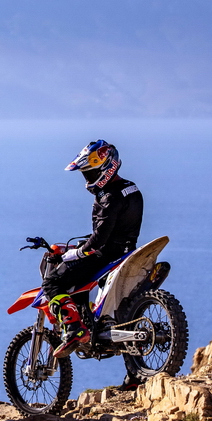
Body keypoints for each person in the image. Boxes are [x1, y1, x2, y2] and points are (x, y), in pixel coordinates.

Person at [43, 140, 144, 387]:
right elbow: (113, 230)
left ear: (106, 167)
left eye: (90, 172)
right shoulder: (131, 189)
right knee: (124, 313)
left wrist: (75, 253)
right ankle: (136, 374)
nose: (87, 178)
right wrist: (79, 247)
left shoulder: (108, 196)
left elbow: (100, 238)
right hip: (127, 251)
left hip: (105, 255)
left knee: (53, 282)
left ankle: (75, 328)